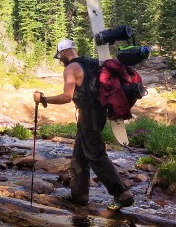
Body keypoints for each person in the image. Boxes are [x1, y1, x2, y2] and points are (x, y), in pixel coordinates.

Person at [33, 39, 134, 210]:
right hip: (98, 114)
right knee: (79, 156)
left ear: (64, 52)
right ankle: (79, 196)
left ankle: (123, 194)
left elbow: (67, 97)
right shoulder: (92, 64)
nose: (60, 60)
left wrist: (43, 99)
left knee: (95, 155)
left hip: (89, 117)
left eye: (59, 56)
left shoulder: (71, 69)